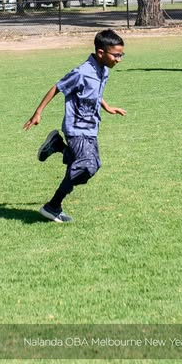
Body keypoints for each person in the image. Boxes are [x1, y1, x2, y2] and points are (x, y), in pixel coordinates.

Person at [23, 29, 127, 223]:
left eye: (122, 55)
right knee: (87, 165)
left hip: (91, 127)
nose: (119, 59)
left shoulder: (103, 70)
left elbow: (93, 92)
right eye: (116, 55)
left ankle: (57, 146)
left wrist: (107, 106)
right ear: (101, 53)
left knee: (91, 165)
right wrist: (38, 113)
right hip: (76, 128)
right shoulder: (81, 73)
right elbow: (57, 87)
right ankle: (52, 206)